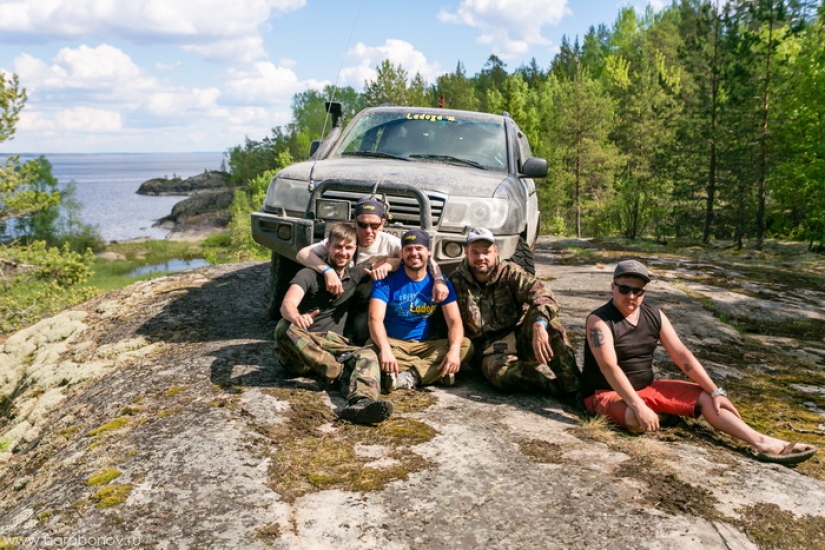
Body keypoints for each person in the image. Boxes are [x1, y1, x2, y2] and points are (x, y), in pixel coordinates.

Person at [583, 259, 817, 465]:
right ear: (612, 287)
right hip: (606, 393)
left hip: (647, 387)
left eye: (638, 291)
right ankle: (660, 413)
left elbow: (681, 355)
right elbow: (609, 367)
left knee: (709, 399)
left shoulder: (654, 314)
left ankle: (763, 442)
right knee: (637, 421)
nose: (631, 296)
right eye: (624, 289)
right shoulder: (599, 320)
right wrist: (638, 405)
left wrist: (716, 391)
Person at [275, 222, 392, 425]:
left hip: (333, 344)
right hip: (303, 348)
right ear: (328, 246)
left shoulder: (355, 274)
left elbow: (397, 260)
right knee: (283, 327)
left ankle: (361, 405)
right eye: (338, 247)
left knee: (367, 353)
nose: (343, 252)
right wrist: (296, 317)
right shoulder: (307, 275)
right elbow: (287, 305)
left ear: (355, 249)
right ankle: (339, 372)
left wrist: (387, 266)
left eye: (349, 248)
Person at [448, 227, 582, 403]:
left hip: (521, 340)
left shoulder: (510, 272)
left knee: (550, 323)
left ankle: (576, 389)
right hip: (489, 353)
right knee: (500, 374)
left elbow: (544, 295)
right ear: (466, 252)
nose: (481, 258)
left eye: (486, 252)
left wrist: (539, 324)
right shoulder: (455, 281)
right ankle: (553, 387)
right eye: (475, 252)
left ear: (495, 251)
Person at [295, 197, 448, 343]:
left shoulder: (390, 243)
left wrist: (439, 280)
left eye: (374, 226)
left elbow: (425, 258)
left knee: (362, 330)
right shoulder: (346, 239)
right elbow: (302, 254)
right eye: (362, 225)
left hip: (368, 301)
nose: (368, 230)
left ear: (382, 223)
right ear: (355, 223)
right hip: (337, 299)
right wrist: (327, 271)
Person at [368, 229, 473, 392]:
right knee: (371, 350)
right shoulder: (386, 281)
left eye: (419, 248)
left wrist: (453, 351)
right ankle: (435, 372)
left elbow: (455, 322)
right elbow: (375, 319)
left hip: (426, 346)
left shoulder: (440, 284)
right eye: (408, 249)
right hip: (394, 344)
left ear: (428, 252)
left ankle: (409, 376)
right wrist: (385, 350)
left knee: (465, 345)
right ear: (402, 254)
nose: (414, 253)